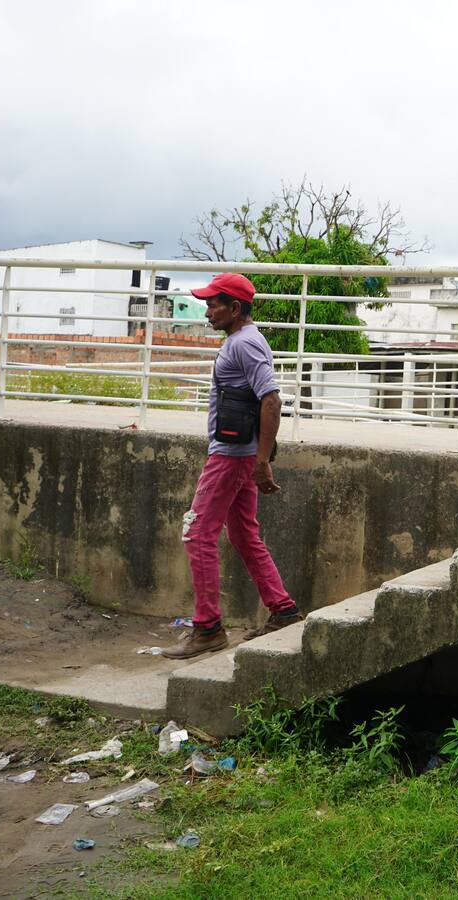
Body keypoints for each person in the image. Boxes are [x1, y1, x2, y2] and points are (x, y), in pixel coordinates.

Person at [164, 273, 303, 659]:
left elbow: (271, 400)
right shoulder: (241, 342)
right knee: (243, 535)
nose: (207, 311)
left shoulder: (245, 344)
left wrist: (262, 462)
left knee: (198, 534)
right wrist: (257, 460)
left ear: (235, 308)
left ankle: (208, 628)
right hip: (238, 454)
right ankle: (284, 610)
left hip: (230, 456)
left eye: (213, 304)